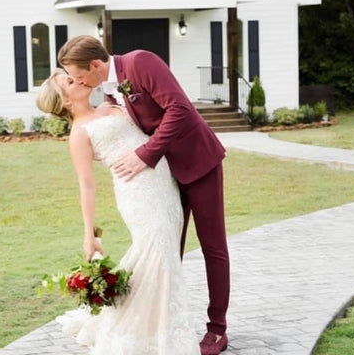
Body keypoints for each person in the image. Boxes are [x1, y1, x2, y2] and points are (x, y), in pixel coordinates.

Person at [57, 36, 230, 355]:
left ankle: (217, 330)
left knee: (212, 248)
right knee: (165, 254)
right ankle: (163, 329)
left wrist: (145, 154)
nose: (79, 82)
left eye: (79, 76)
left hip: (197, 162)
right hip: (161, 181)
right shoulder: (109, 92)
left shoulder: (140, 62)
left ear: (95, 65)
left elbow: (180, 108)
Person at [36, 68, 200, 355]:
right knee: (159, 257)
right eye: (71, 82)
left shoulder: (110, 105)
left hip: (164, 186)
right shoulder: (79, 133)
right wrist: (91, 236)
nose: (79, 80)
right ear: (65, 101)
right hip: (138, 196)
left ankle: (149, 324)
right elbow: (87, 186)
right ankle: (159, 337)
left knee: (159, 259)